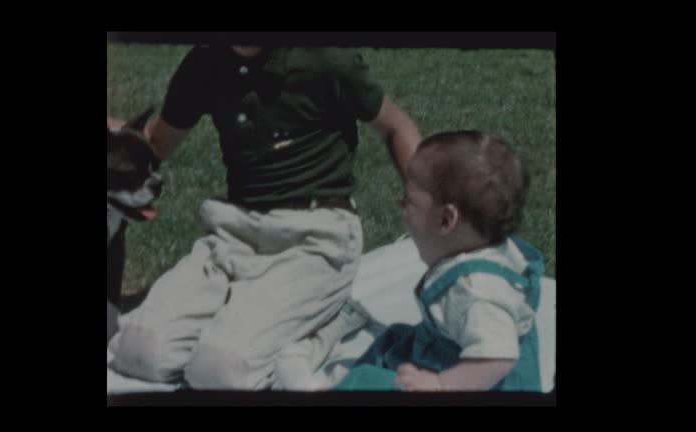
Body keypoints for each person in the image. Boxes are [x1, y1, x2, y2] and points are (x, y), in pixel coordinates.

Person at [107, 45, 422, 390]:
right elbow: (154, 142)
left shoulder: (326, 58)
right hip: (234, 233)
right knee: (139, 352)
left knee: (221, 372)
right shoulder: (205, 61)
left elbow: (396, 125)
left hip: (315, 233)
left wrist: (425, 199)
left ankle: (328, 322)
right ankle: (251, 316)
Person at [335, 131, 544, 392]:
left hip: (475, 381)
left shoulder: (475, 291)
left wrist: (441, 384)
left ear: (445, 220)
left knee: (369, 381)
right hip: (453, 351)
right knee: (394, 341)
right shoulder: (489, 246)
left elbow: (498, 358)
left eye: (407, 199)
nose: (400, 205)